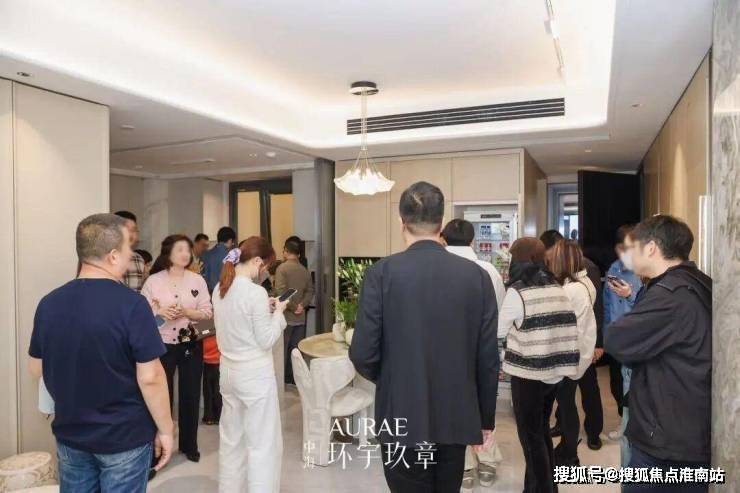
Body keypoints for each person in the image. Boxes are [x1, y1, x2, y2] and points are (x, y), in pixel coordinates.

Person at [349, 181, 499, 493]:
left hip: (401, 413)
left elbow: (363, 353)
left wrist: (393, 377)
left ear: (401, 221)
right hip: (456, 415)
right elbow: (487, 358)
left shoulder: (381, 274)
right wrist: (485, 419)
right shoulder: (477, 276)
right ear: (441, 223)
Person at [28, 213, 173, 492]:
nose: (131, 255)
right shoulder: (133, 305)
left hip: (71, 434)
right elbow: (151, 377)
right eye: (129, 248)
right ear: (113, 256)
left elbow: (36, 368)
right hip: (124, 436)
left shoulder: (49, 303)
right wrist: (166, 430)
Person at [605, 215, 711, 493]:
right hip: (686, 429)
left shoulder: (669, 295)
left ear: (651, 248)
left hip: (666, 441)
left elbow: (616, 340)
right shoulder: (698, 281)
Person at [498, 237, 579, 493]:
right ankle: (540, 486)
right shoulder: (557, 286)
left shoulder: (518, 291)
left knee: (531, 438)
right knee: (541, 430)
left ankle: (542, 488)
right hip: (554, 371)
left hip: (528, 373)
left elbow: (498, 331)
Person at [212, 237, 288, 493]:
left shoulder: (220, 288)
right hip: (254, 375)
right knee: (262, 445)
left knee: (231, 441)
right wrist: (279, 313)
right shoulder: (256, 292)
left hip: (228, 373)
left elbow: (236, 318)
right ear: (256, 261)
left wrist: (265, 309)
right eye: (264, 266)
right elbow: (266, 339)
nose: (263, 272)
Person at [440, 218, 504, 490]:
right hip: (481, 347)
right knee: (483, 401)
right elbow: (498, 309)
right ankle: (487, 461)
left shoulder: (437, 268)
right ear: (472, 240)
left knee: (453, 406)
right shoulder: (488, 270)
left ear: (443, 238)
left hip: (445, 351)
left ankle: (464, 466)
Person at [141, 234, 213, 463]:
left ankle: (189, 445)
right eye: (179, 249)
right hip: (161, 344)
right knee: (162, 397)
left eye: (187, 250)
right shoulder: (153, 282)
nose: (185, 254)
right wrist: (159, 313)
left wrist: (188, 312)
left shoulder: (197, 281)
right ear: (168, 253)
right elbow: (142, 318)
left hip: (191, 342)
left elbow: (208, 313)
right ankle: (157, 450)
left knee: (190, 394)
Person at [540, 230, 605, 450]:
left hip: (572, 353)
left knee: (571, 401)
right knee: (568, 401)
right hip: (580, 350)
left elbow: (560, 323)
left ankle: (571, 448)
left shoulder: (572, 289)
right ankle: (570, 444)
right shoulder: (581, 282)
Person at [602, 225, 643, 456]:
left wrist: (630, 295)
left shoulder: (644, 271)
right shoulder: (614, 269)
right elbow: (608, 305)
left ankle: (632, 428)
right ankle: (624, 422)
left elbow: (648, 307)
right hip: (617, 338)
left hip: (637, 340)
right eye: (623, 248)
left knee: (634, 388)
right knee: (617, 385)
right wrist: (606, 336)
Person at [275, 239, 315, 385]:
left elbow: (281, 293)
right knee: (296, 352)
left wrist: (292, 307)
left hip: (286, 317)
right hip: (300, 318)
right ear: (298, 254)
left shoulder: (282, 269)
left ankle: (282, 382)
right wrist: (301, 305)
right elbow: (310, 291)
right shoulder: (304, 270)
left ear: (286, 251)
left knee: (282, 351)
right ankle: (295, 381)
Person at [115, 211, 145, 292]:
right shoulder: (102, 257)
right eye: (127, 229)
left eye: (133, 230)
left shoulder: (138, 259)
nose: (131, 234)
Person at [202, 226, 237, 293]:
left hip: (208, 292)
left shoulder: (206, 254)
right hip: (223, 292)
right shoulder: (230, 257)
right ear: (230, 240)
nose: (233, 244)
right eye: (233, 241)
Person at [202, 334, 222, 426]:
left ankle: (209, 417)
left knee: (208, 391)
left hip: (209, 362)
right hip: (218, 361)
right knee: (217, 391)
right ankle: (218, 416)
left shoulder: (205, 327)